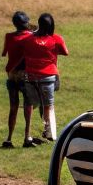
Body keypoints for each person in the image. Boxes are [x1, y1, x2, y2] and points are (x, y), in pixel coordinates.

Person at [18, 13, 68, 145]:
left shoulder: (28, 39)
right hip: (48, 76)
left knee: (30, 104)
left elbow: (23, 52)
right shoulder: (56, 39)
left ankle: (27, 134)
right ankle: (50, 133)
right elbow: (65, 52)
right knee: (49, 106)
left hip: (31, 76)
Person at [1, 11, 35, 148]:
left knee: (13, 107)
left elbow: (4, 53)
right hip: (25, 75)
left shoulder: (8, 36)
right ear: (26, 23)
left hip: (11, 75)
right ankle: (27, 137)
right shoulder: (31, 37)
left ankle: (9, 139)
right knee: (28, 106)